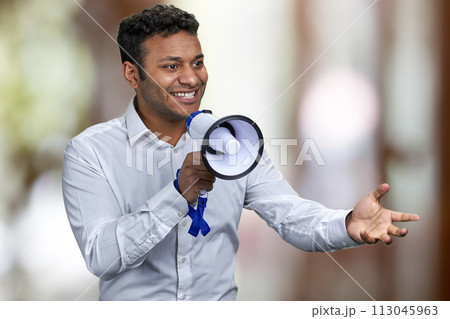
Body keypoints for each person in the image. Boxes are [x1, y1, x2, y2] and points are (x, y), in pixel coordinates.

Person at [62, 4, 420, 301]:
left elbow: (292, 217)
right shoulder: (90, 153)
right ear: (132, 74)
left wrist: (346, 224)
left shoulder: (232, 143)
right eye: (171, 66)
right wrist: (176, 196)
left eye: (197, 62)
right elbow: (102, 257)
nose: (191, 78)